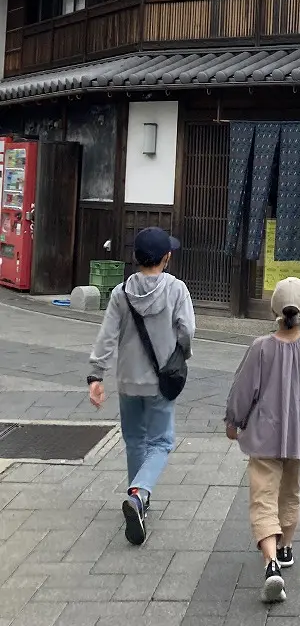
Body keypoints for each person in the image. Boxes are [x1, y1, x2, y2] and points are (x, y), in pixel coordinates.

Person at [224, 277, 300, 604]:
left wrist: (234, 421)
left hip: (263, 433)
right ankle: (286, 547)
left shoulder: (261, 346)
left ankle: (270, 561)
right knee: (291, 493)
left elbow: (243, 389)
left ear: (274, 308)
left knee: (263, 497)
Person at [87, 227, 195, 546]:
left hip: (127, 380)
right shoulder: (176, 289)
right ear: (167, 258)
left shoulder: (121, 293)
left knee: (135, 439)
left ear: (135, 259)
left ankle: (138, 500)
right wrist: (181, 353)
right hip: (160, 381)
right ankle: (139, 493)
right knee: (161, 442)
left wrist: (96, 375)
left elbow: (107, 336)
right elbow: (187, 330)